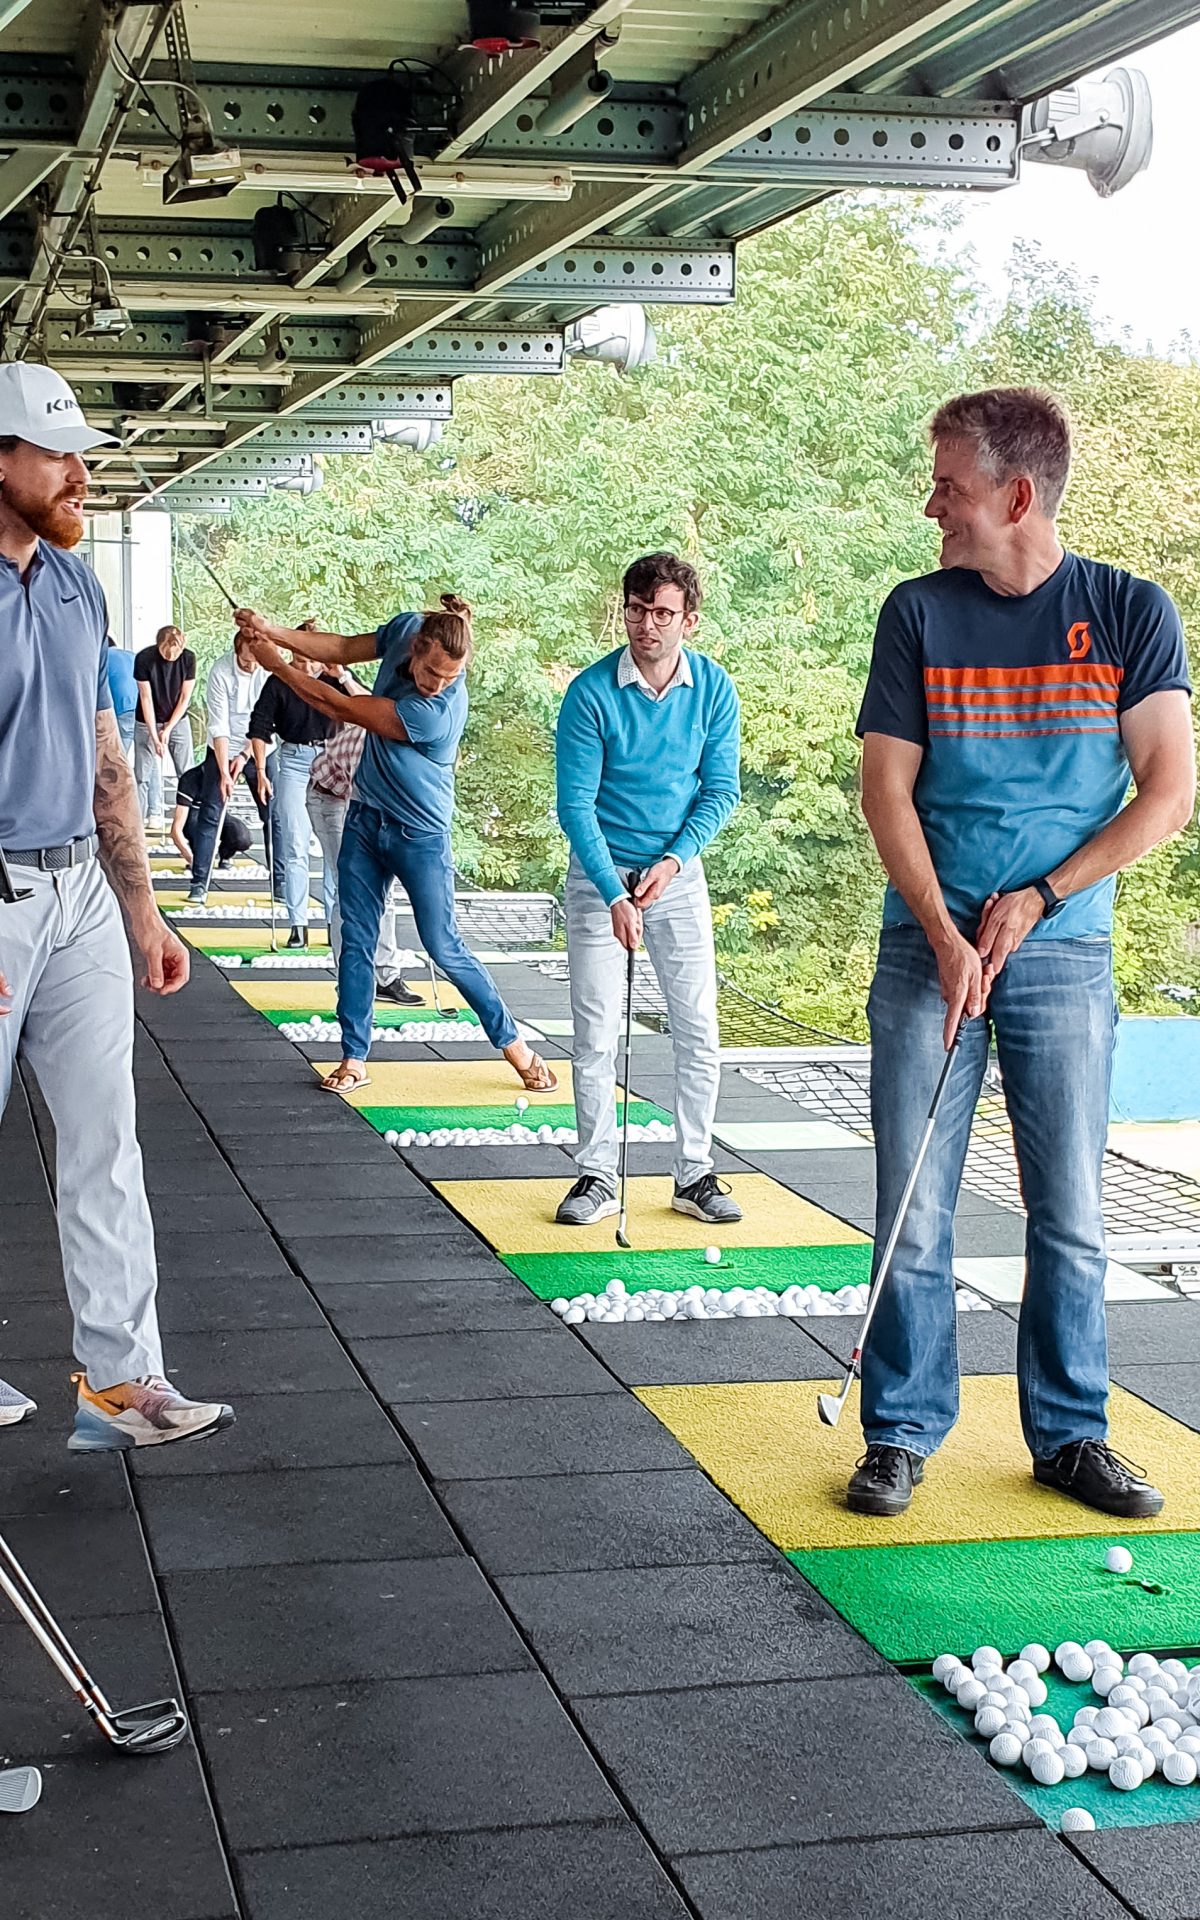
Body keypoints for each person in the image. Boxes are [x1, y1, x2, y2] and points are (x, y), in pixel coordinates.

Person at [851, 385, 1195, 1521]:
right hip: (925, 945)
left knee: (1072, 1210)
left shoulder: (1131, 611)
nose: (931, 503)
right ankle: (899, 1430)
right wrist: (946, 933)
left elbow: (1169, 794)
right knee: (914, 1194)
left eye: (948, 483)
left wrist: (1042, 898)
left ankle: (1071, 1433)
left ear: (1015, 493)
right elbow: (885, 789)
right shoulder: (917, 611)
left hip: (1063, 952)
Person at [0, 360, 234, 1448]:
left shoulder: (73, 582)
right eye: (55, 454)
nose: (79, 473)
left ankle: (119, 1379)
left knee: (105, 1135)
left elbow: (106, 752)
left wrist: (141, 908)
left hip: (78, 891)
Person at [232, 595, 557, 1096]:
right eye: (431, 672)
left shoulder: (435, 713)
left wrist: (275, 659)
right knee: (355, 936)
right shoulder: (408, 628)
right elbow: (340, 647)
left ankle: (514, 1044)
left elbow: (334, 703)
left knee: (442, 945)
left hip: (420, 836)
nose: (438, 685)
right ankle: (353, 1057)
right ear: (417, 644)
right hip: (365, 818)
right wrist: (270, 627)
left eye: (452, 677)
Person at [554, 551, 742, 1227]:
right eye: (636, 610)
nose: (646, 626)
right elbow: (575, 805)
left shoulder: (715, 690)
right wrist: (613, 892)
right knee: (597, 1029)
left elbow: (721, 791)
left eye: (662, 613)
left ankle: (694, 1172)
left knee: (697, 1026)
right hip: (598, 874)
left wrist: (673, 863)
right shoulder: (590, 692)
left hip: (677, 878)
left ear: (688, 619)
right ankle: (597, 1173)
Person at [307, 703, 423, 1005]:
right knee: (350, 891)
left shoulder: (415, 748)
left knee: (386, 891)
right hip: (330, 800)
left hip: (364, 801)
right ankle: (350, 987)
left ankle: (386, 975)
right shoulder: (369, 752)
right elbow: (366, 808)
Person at [247, 643, 343, 948]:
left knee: (335, 846)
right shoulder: (280, 680)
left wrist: (341, 675)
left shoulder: (333, 680)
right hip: (293, 760)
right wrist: (261, 770)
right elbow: (259, 726)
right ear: (292, 656)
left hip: (331, 759)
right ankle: (297, 923)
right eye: (301, 660)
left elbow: (363, 706)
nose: (307, 668)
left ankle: (334, 922)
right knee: (294, 842)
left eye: (312, 660)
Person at [185, 632, 279, 905]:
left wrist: (246, 756)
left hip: (261, 747)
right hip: (222, 748)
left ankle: (280, 882)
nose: (252, 665)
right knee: (211, 812)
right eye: (248, 660)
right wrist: (225, 770)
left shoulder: (267, 670)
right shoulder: (221, 671)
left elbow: (267, 721)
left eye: (256, 660)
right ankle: (199, 882)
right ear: (238, 651)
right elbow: (219, 725)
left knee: (272, 814)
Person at [133, 624, 195, 826]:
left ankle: (190, 822)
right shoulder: (144, 658)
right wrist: (154, 734)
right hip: (146, 721)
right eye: (165, 653)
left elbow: (185, 698)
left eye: (174, 655)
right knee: (142, 774)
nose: (170, 658)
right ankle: (138, 824)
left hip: (178, 721)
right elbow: (146, 698)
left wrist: (167, 729)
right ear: (158, 645)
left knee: (186, 773)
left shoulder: (188, 658)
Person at [169, 762, 252, 872]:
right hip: (195, 814)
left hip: (216, 811)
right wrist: (191, 858)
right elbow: (176, 830)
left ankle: (225, 856)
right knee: (201, 837)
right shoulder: (190, 779)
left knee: (242, 838)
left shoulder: (229, 772)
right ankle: (198, 854)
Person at [105, 637, 138, 761]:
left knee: (118, 757)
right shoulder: (132, 655)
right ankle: (155, 781)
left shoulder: (102, 658)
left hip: (124, 708)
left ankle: (115, 780)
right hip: (145, 708)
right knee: (146, 755)